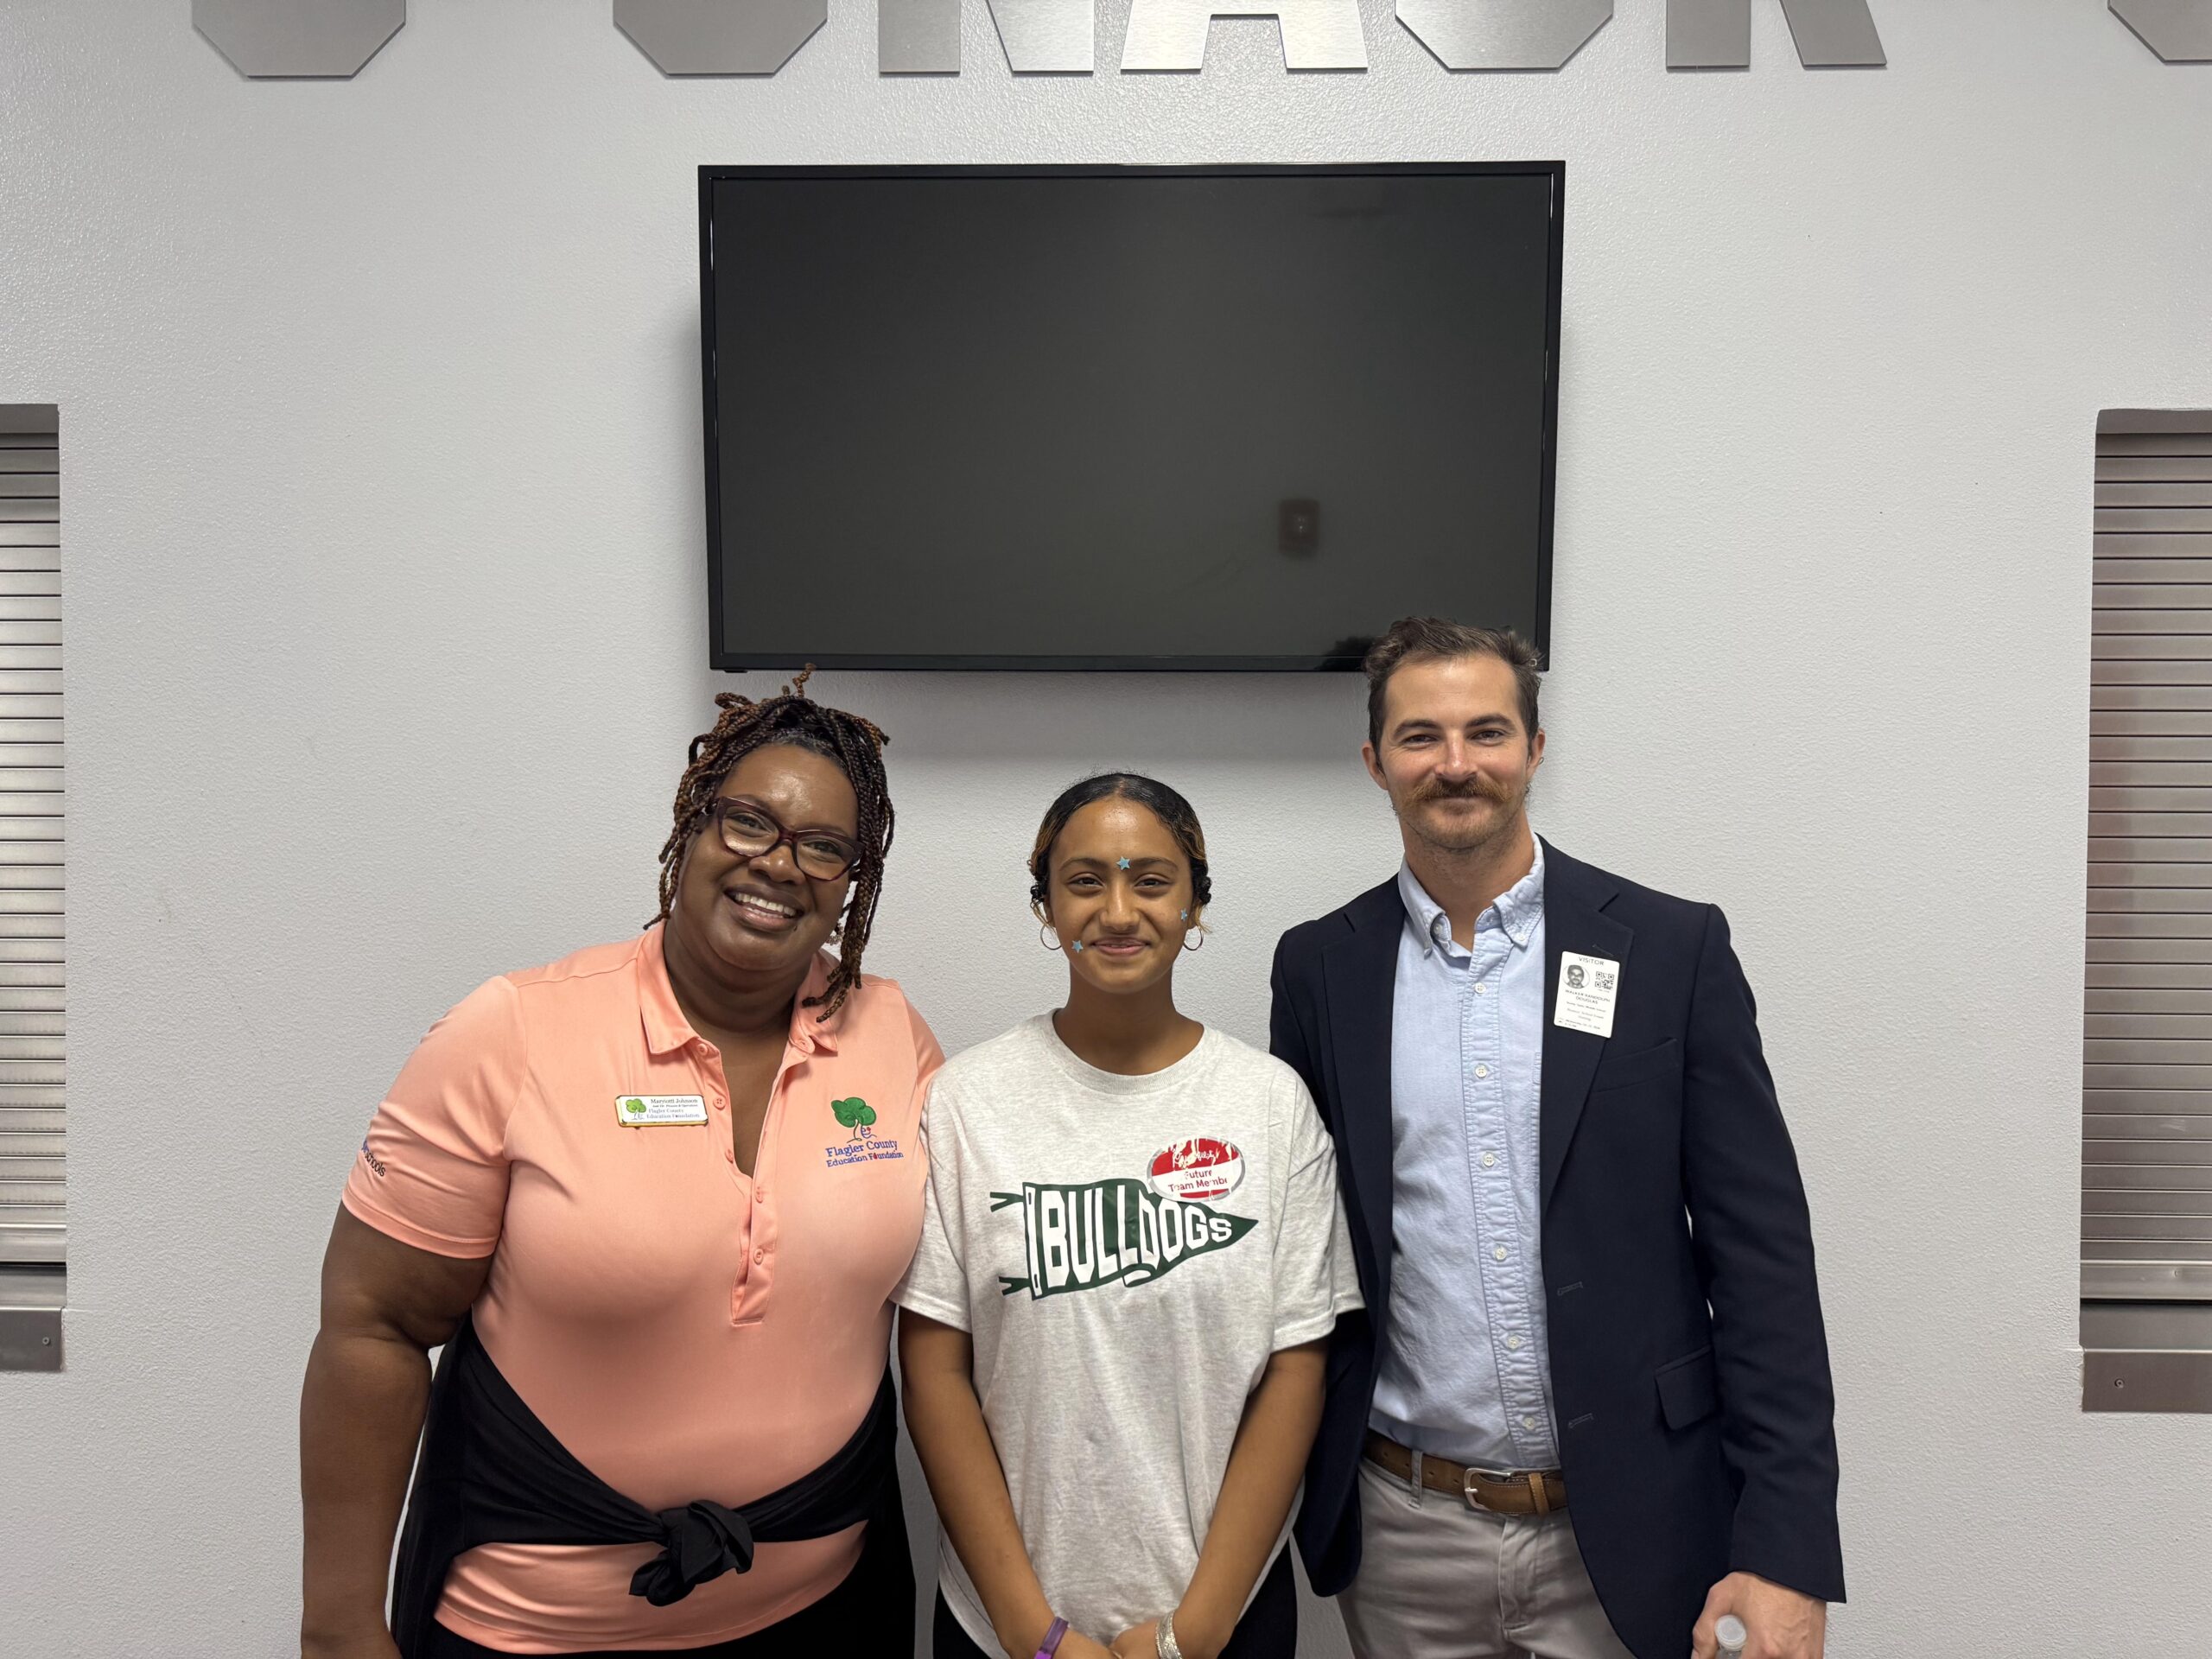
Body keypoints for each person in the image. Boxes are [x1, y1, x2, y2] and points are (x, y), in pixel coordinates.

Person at [299, 675, 942, 1659]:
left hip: (822, 1614)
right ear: (691, 824)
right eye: (748, 823)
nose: (781, 864)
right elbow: (372, 1327)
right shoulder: (514, 1033)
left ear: (852, 880)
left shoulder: (893, 1036)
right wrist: (341, 1628)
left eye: (823, 847)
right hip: (534, 1631)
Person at [1270, 618, 1844, 1659]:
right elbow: (1311, 1252)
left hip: (1636, 1521)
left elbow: (1761, 1263)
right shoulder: (1319, 970)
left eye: (1487, 732)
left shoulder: (1672, 950)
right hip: (1406, 1534)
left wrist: (1787, 1548)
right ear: (1374, 763)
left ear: (1535, 749)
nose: (1455, 764)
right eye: (1419, 737)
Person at [898, 773, 1362, 1659]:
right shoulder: (966, 1101)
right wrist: (1034, 1633)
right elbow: (934, 1371)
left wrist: (1196, 1628)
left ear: (1196, 904)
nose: (1118, 911)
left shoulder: (1267, 1104)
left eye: (1150, 881)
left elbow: (1297, 1367)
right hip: (1002, 1623)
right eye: (1083, 881)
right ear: (1044, 903)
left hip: (1220, 1614)